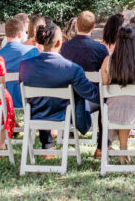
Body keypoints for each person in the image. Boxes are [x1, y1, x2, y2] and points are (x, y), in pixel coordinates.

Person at [19, 22, 95, 150]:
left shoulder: (25, 65)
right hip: (64, 115)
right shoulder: (72, 68)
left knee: (44, 99)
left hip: (35, 112)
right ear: (60, 42)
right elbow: (90, 92)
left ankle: (47, 145)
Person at [101, 24, 135, 160]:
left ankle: (123, 151)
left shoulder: (108, 61)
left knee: (123, 105)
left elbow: (105, 84)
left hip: (113, 113)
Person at [59, 10, 109, 157]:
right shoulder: (100, 49)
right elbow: (105, 71)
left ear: (76, 25)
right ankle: (101, 146)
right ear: (93, 27)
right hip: (91, 97)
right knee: (105, 101)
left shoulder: (65, 47)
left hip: (68, 96)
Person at [0, 16, 40, 109]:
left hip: (5, 101)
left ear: (6, 33)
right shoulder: (32, 51)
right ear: (20, 34)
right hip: (28, 100)